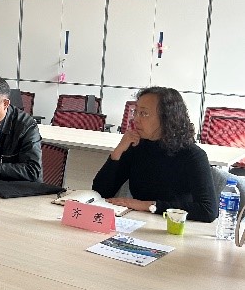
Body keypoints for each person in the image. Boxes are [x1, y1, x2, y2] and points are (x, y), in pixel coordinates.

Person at [93, 87, 217, 222]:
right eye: (136, 112)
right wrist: (119, 150)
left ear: (167, 118)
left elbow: (208, 210)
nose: (135, 119)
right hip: (139, 221)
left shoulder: (192, 155)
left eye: (144, 113)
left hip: (174, 225)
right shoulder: (136, 146)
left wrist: (148, 205)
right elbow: (100, 192)